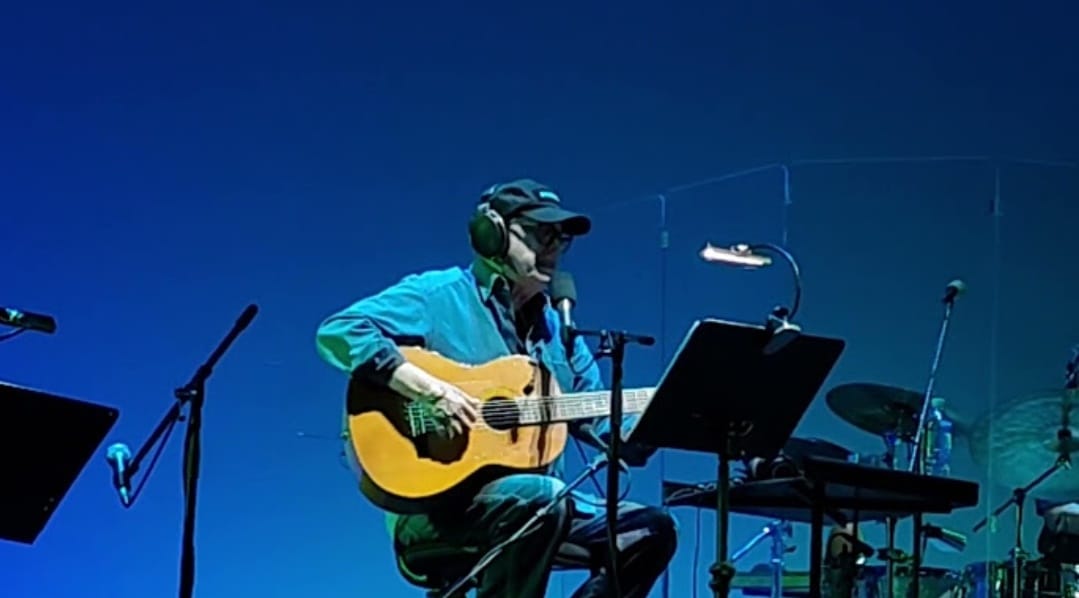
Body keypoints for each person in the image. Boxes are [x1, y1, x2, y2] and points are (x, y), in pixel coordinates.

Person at [315, 178, 678, 598]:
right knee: (541, 498)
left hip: (542, 508)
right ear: (493, 234)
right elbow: (338, 331)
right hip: (437, 509)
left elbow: (605, 427)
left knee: (651, 530)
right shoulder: (438, 296)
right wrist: (429, 390)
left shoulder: (561, 334)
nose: (555, 247)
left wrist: (665, 416)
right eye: (542, 233)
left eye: (562, 238)